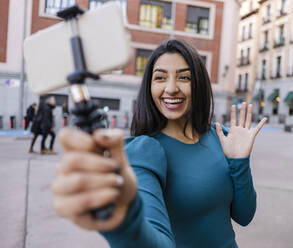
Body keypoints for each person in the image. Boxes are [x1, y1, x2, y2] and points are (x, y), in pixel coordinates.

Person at [52, 39, 267, 247]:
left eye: (184, 78)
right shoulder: (144, 152)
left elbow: (245, 215)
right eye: (160, 78)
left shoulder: (221, 137)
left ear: (199, 84)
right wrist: (123, 224)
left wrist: (240, 162)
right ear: (149, 86)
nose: (171, 88)